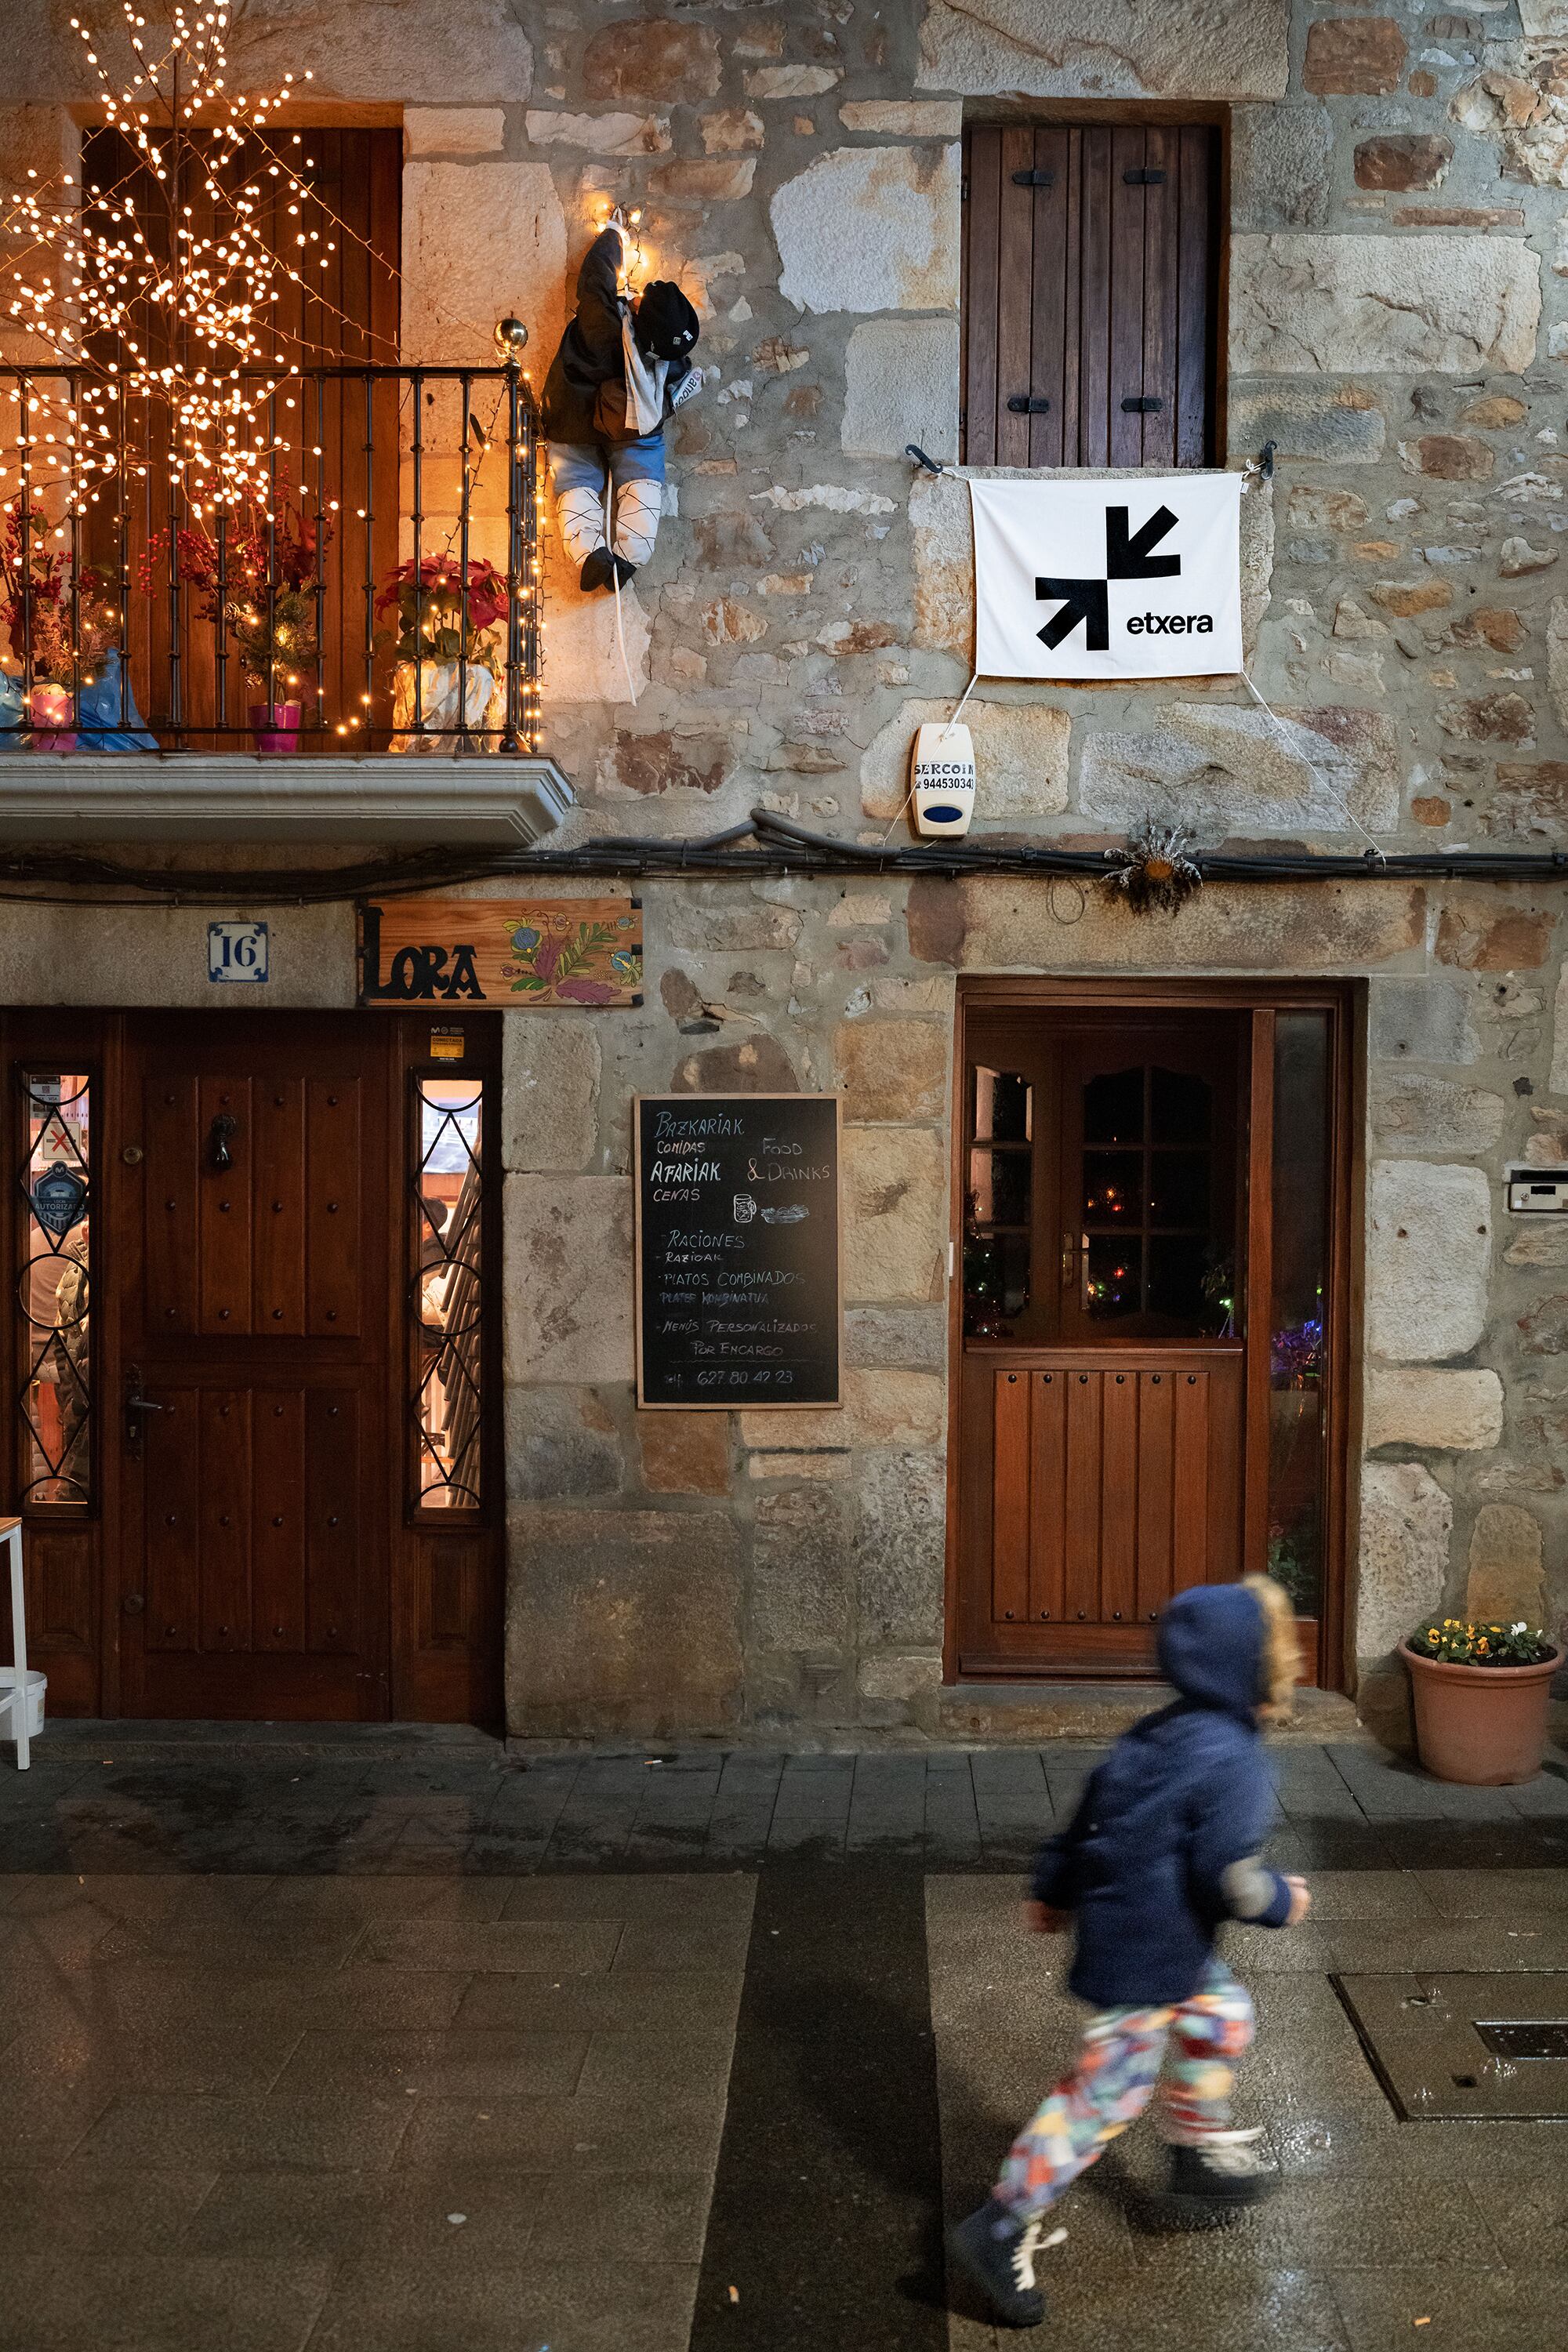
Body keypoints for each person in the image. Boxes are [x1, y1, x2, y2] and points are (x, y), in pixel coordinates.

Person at [948, 1574, 1312, 2331]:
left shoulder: (1155, 1734)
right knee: (1102, 2099)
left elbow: (1091, 1818)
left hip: (1151, 1938)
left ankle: (1193, 2151)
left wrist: (1053, 1890)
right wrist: (1282, 1900)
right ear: (1256, 1670)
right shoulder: (1236, 1757)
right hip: (1148, 1961)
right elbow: (1227, 1878)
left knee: (1225, 2016)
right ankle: (1002, 2222)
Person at [543, 212, 701, 593]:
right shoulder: (668, 356)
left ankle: (590, 555)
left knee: (577, 480)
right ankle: (630, 557)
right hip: (635, 427)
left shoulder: (603, 319)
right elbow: (682, 377)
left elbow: (596, 275)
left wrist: (613, 233)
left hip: (574, 418)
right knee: (642, 480)